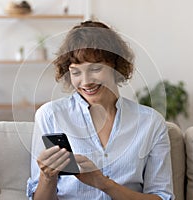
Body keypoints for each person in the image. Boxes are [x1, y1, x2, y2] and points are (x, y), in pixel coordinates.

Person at [27, 20, 174, 200]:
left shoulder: (150, 122)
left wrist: (103, 183)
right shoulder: (51, 115)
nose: (86, 81)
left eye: (95, 69)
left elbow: (162, 197)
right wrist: (47, 177)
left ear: (116, 66)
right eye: (76, 72)